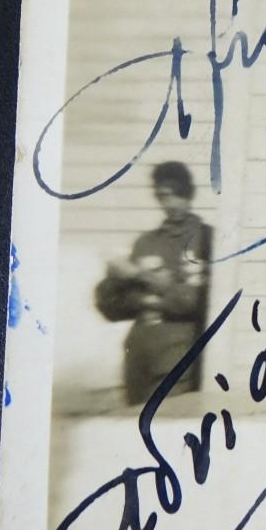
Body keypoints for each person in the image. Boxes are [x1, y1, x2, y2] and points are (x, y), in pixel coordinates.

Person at [94, 161, 212, 406]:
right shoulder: (146, 242)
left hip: (177, 355)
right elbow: (111, 307)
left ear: (188, 194)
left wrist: (140, 275)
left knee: (164, 427)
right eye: (162, 196)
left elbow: (191, 302)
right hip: (138, 357)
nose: (169, 204)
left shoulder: (206, 239)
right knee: (132, 429)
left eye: (174, 195)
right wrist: (120, 283)